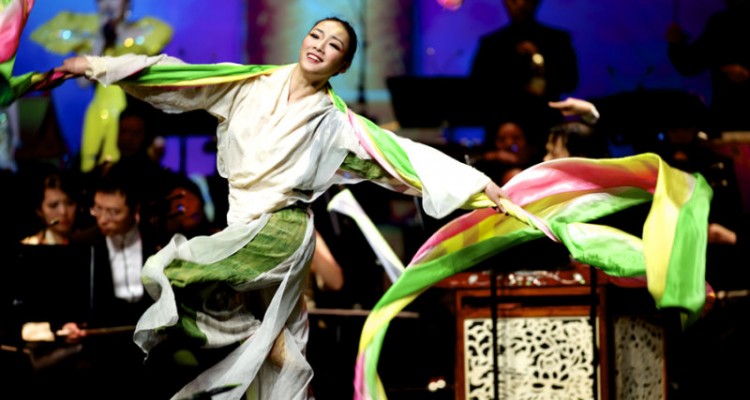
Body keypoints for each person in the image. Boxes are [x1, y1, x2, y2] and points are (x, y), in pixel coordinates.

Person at [54, 16, 508, 399]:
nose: (319, 46)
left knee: (171, 272)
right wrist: (95, 65)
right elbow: (178, 77)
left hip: (282, 232)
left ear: (343, 65)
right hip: (241, 225)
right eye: (316, 36)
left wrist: (480, 185)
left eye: (333, 46)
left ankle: (259, 337)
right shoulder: (250, 83)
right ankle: (268, 346)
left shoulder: (335, 122)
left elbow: (400, 155)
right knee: (275, 366)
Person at [31, 0, 173, 172]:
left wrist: (158, 132)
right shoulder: (92, 39)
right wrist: (100, 41)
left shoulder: (144, 37)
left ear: (126, 4)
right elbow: (82, 83)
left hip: (133, 115)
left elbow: (156, 86)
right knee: (94, 169)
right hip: (100, 113)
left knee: (131, 171)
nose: (108, 4)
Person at [63, 165, 162, 400]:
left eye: (114, 212)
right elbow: (68, 296)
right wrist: (69, 322)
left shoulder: (157, 238)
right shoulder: (81, 242)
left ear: (135, 209)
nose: (104, 220)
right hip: (99, 348)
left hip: (150, 346)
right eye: (98, 209)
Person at [469, 0, 579, 150]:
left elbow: (570, 81)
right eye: (513, 0)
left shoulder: (557, 40)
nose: (520, 4)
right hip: (499, 132)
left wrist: (540, 61)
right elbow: (477, 89)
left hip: (543, 130)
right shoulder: (491, 44)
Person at [666, 0, 750, 135]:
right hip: (725, 117)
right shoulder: (721, 23)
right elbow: (691, 63)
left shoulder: (720, 23)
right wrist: (676, 45)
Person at [20, 165, 82, 245]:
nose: (63, 212)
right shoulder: (29, 246)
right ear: (39, 210)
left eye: (69, 203)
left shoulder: (91, 242)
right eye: (53, 205)